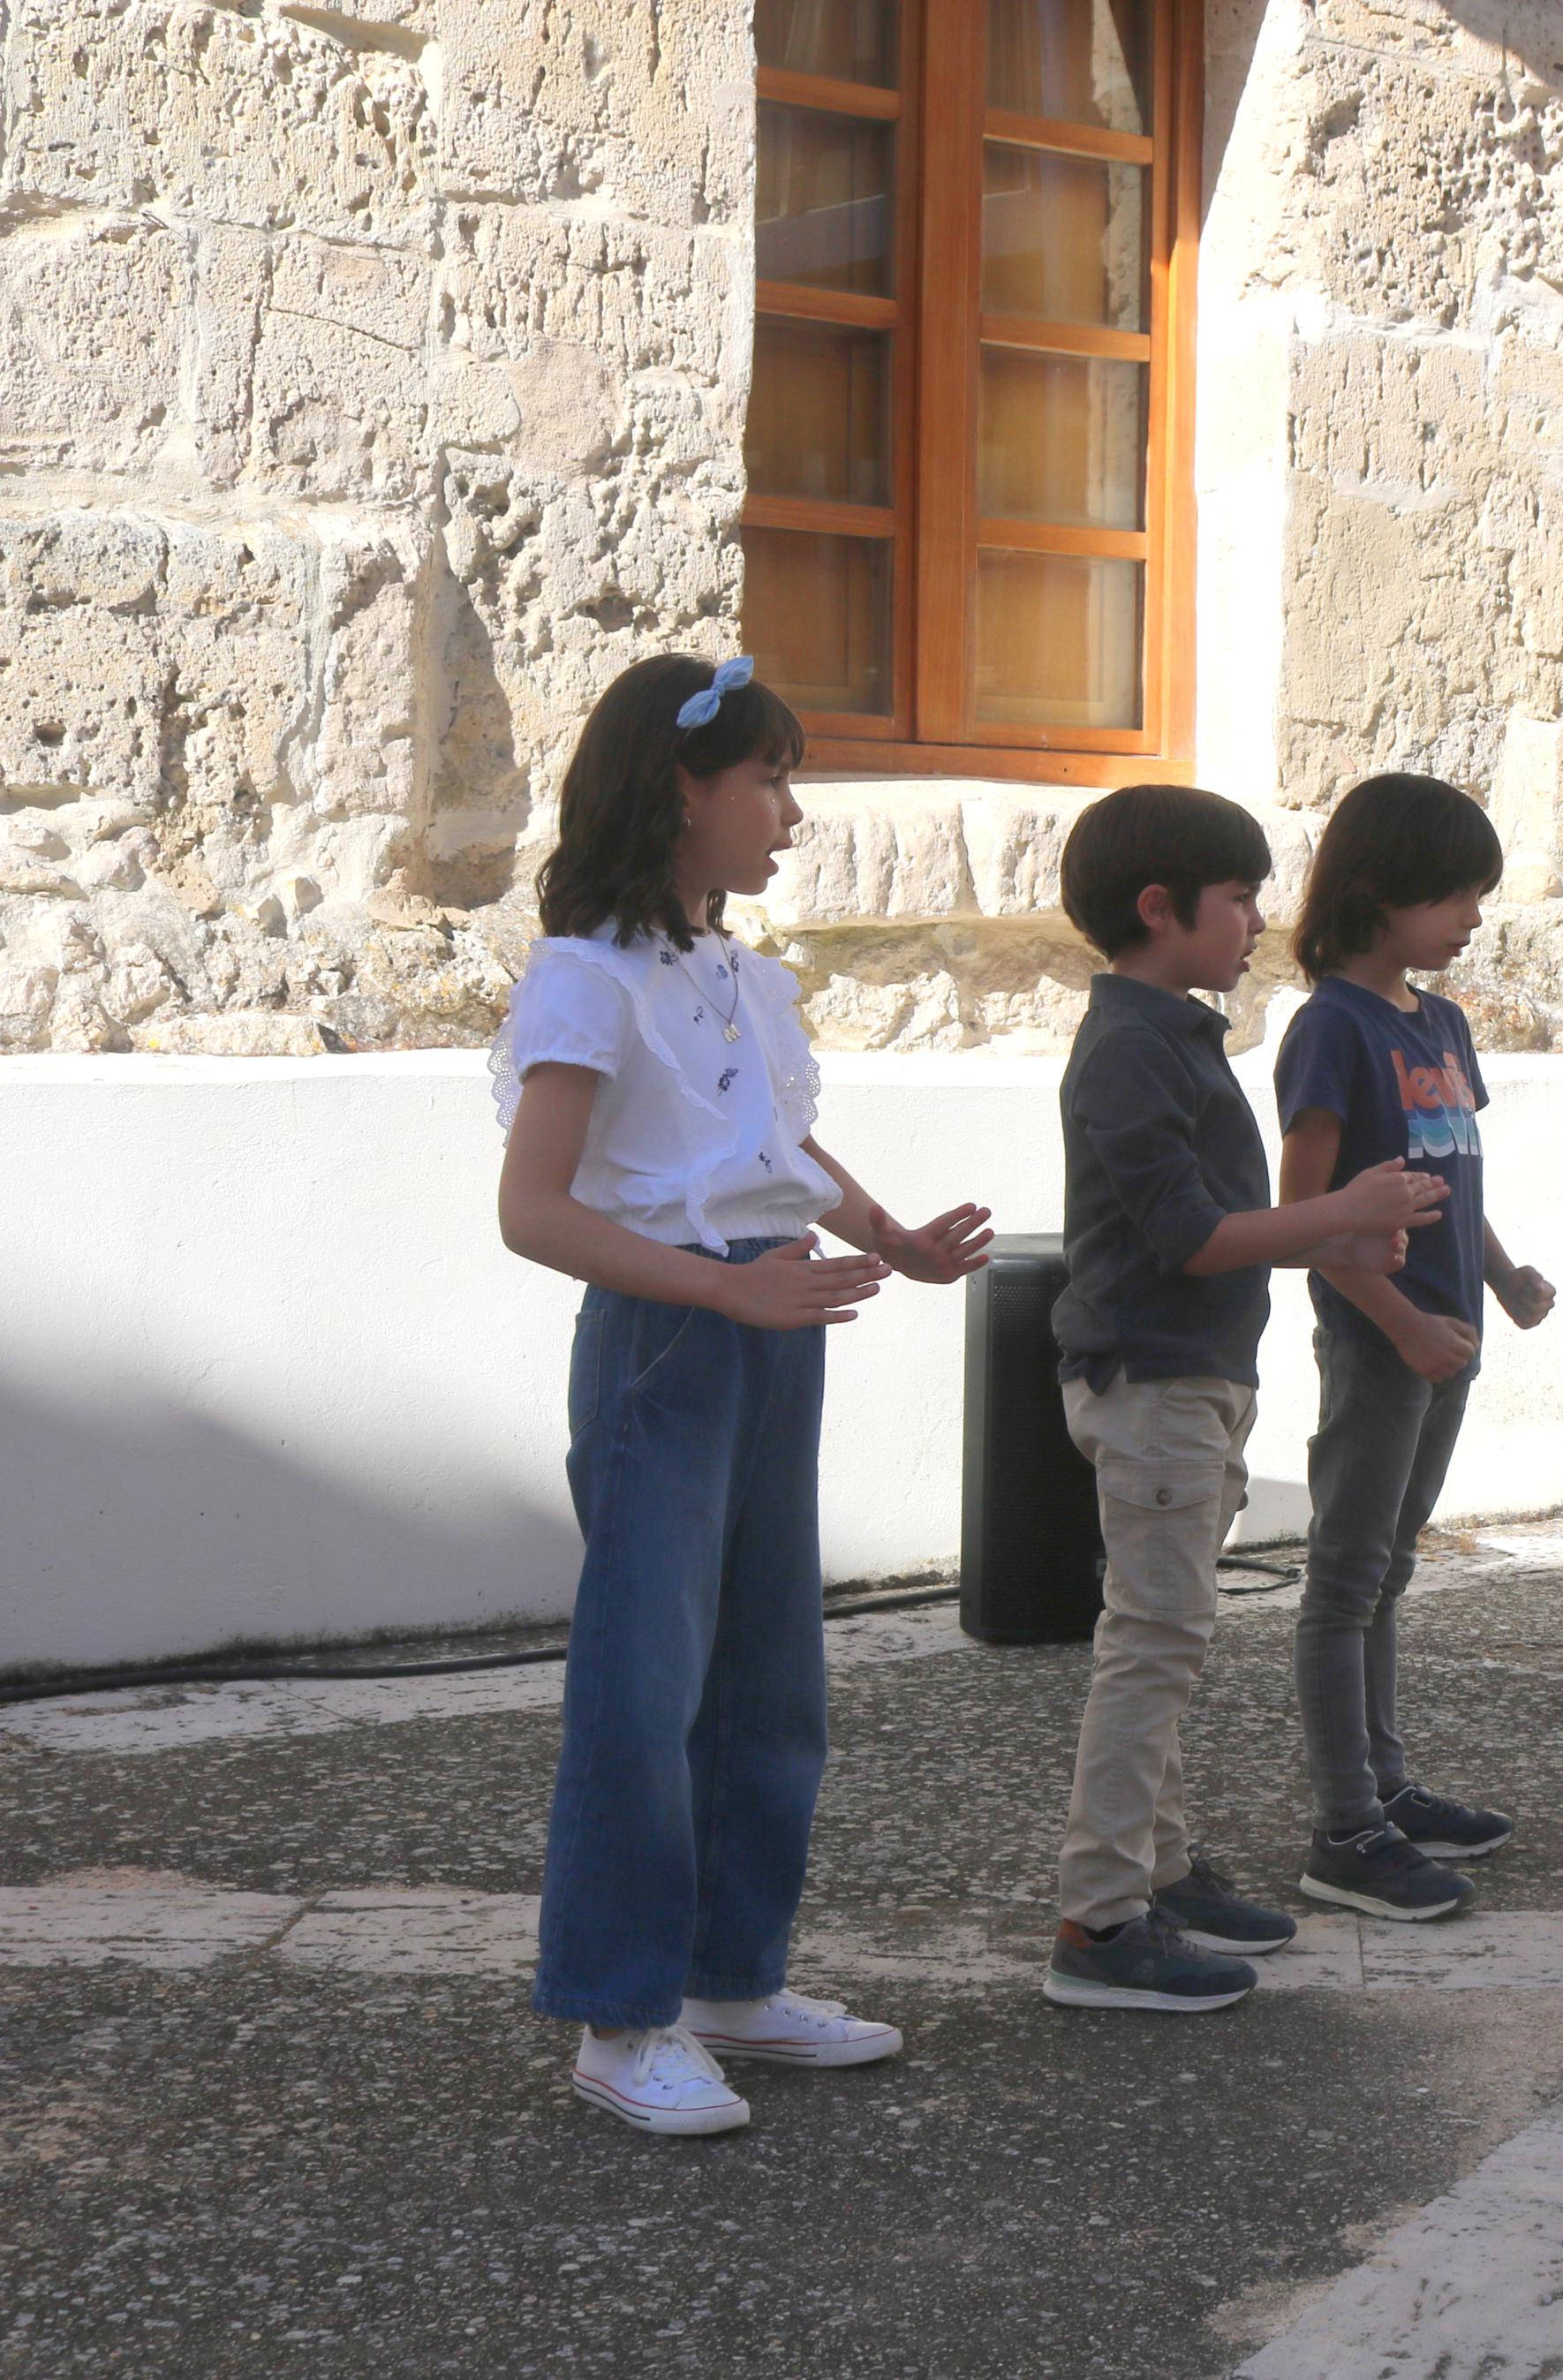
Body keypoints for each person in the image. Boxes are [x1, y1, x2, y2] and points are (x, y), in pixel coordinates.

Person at [494, 653, 994, 2134]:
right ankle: (619, 2015)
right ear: (679, 791)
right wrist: (726, 1289)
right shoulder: (587, 977)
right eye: (769, 781)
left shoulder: (735, 976)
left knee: (771, 1674)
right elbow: (535, 1210)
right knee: (643, 1689)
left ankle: (729, 1980)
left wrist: (885, 1235)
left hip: (775, 1323)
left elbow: (773, 1148)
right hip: (673, 1337)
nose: (791, 815)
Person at [1038, 783, 1447, 2014]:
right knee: (1152, 1645)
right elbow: (1190, 1236)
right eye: (1239, 898)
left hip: (1191, 1384)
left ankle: (1156, 1871)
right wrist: (1340, 1217)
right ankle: (1100, 1923)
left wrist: (1343, 1235)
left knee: (1164, 1634)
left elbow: (1218, 1228)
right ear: (1160, 910)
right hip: (1152, 1383)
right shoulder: (1126, 1047)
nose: (1260, 920)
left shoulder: (1169, 1031)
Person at [1271, 774, 1557, 1922]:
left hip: (1447, 1339)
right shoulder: (1329, 1030)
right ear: (1383, 891)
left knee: (1390, 1566)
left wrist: (1503, 1278)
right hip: (1387, 1346)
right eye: (1455, 896)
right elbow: (1307, 1218)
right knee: (1344, 1579)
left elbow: (1451, 1177)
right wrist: (1401, 1325)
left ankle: (1387, 1788)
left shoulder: (1439, 1024)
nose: (1473, 920)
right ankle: (1344, 1830)